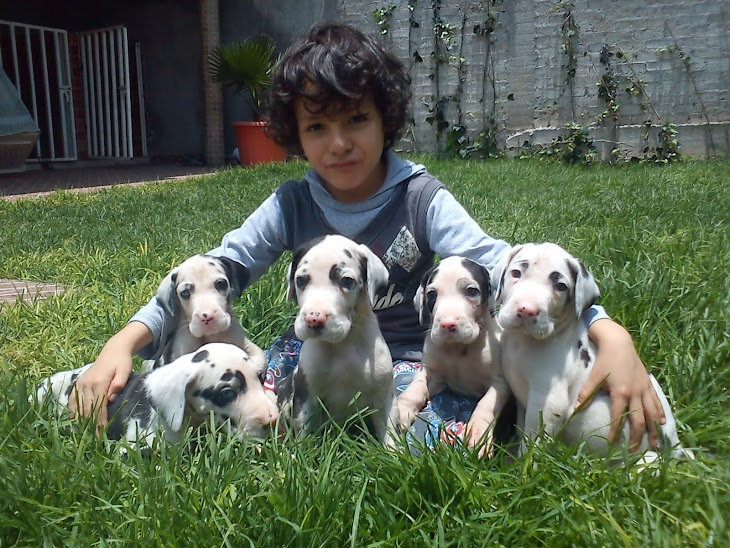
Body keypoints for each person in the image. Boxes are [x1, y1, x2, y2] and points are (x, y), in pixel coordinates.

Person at [70, 22, 665, 451]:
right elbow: (215, 270)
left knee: (437, 440)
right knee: (245, 405)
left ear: (387, 118)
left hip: (402, 361)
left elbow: (503, 262)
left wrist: (604, 327)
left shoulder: (420, 197)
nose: (339, 143)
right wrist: (124, 342)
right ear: (293, 135)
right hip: (310, 350)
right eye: (317, 126)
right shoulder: (291, 202)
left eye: (357, 119)